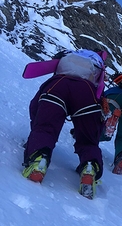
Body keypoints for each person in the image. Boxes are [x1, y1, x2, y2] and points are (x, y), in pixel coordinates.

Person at [22, 49, 107, 199]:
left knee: (45, 128)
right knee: (88, 141)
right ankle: (89, 168)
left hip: (58, 85)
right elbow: (99, 90)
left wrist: (36, 129)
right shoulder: (98, 64)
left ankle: (39, 158)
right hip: (87, 92)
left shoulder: (71, 53)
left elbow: (35, 107)